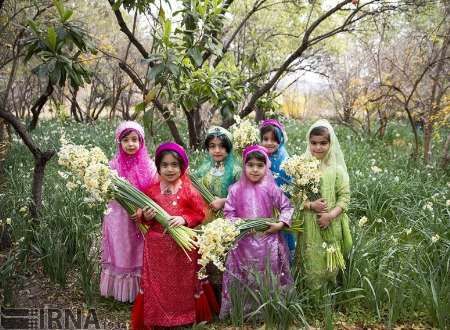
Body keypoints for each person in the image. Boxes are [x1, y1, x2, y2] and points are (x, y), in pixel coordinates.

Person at [131, 142, 217, 329]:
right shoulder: (151, 191)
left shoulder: (188, 190)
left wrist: (184, 219)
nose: (169, 169)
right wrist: (145, 216)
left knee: (182, 282)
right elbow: (142, 216)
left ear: (182, 167)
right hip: (156, 249)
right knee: (158, 284)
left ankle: (184, 315)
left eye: (174, 165)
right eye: (165, 165)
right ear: (158, 167)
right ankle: (158, 315)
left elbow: (200, 214)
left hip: (182, 249)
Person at [220, 145, 294, 318]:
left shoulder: (271, 188)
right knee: (243, 274)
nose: (254, 169)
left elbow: (287, 207)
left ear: (266, 166)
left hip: (268, 241)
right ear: (244, 166)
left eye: (260, 165)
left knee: (268, 274)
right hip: (242, 243)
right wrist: (240, 225)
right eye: (250, 165)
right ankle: (242, 310)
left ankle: (269, 310)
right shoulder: (235, 189)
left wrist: (280, 224)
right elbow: (228, 213)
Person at [100, 121, 157, 302]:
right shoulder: (113, 165)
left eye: (135, 139)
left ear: (142, 142)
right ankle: (122, 292)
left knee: (139, 248)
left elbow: (154, 191)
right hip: (119, 216)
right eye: (126, 140)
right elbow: (107, 191)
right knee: (123, 247)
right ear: (119, 142)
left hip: (142, 215)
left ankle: (141, 291)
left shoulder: (149, 165)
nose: (131, 144)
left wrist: (142, 209)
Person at [295, 119, 352, 291]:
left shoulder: (336, 170)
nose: (318, 147)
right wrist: (311, 205)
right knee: (311, 258)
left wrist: (330, 215)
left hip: (330, 222)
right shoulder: (301, 167)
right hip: (309, 224)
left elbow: (345, 197)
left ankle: (329, 295)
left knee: (330, 259)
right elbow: (295, 197)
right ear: (308, 143)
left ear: (330, 143)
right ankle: (311, 296)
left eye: (323, 143)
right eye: (314, 143)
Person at [259, 119, 296, 261]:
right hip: (261, 208)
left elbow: (289, 189)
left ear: (281, 140)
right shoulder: (258, 158)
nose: (269, 143)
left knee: (282, 242)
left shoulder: (285, 161)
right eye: (265, 139)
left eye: (274, 139)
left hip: (280, 209)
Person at [195, 126, 241, 212]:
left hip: (229, 218)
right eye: (212, 146)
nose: (217, 150)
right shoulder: (203, 169)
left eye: (222, 146)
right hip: (204, 216)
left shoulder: (236, 171)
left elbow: (244, 198)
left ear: (229, 148)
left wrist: (224, 202)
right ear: (208, 149)